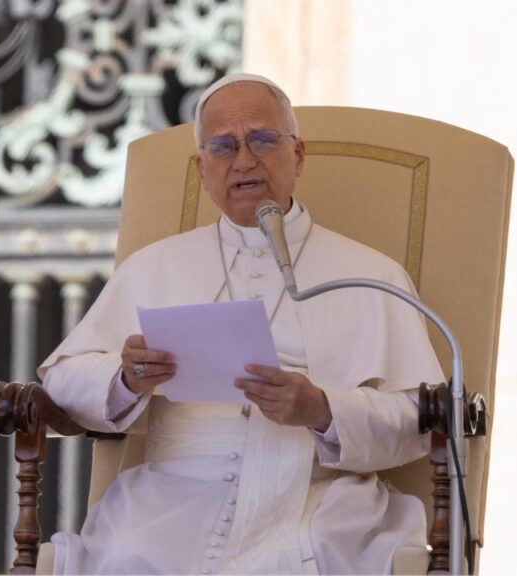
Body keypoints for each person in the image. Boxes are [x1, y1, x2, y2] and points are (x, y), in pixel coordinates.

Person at [38, 74, 444, 575]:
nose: (245, 160)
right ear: (202, 169)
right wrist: (125, 379)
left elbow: (421, 415)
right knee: (124, 554)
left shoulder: (373, 274)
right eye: (224, 147)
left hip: (319, 495)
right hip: (172, 494)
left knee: (329, 552)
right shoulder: (152, 267)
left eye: (263, 140)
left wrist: (322, 408)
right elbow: (61, 378)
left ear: (297, 156)